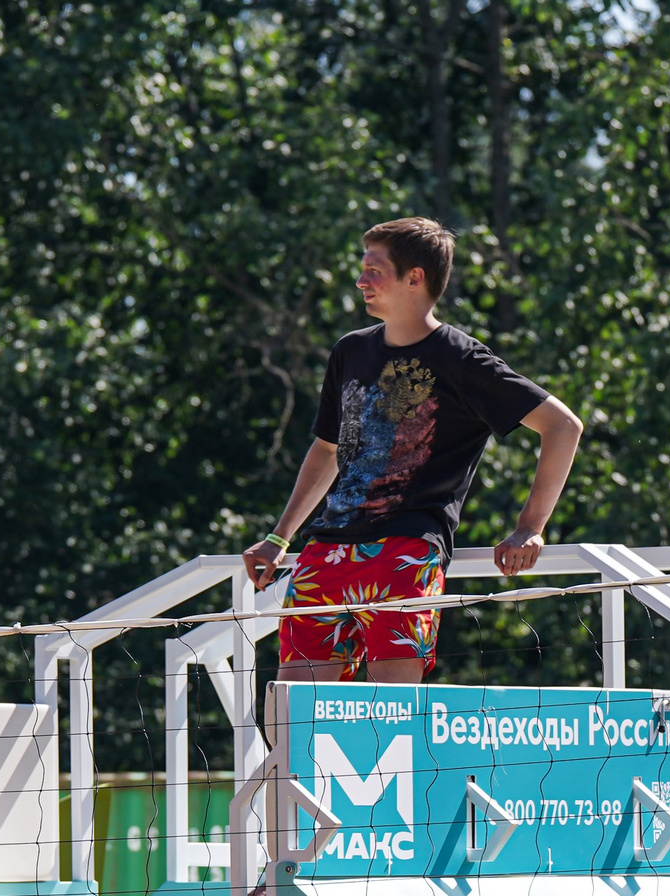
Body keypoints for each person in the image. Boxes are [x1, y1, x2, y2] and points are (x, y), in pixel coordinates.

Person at [243, 217, 583, 683]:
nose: (361, 281)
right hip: (324, 553)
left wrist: (530, 527)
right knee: (294, 716)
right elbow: (326, 451)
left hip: (406, 556)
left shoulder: (461, 358)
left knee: (392, 723)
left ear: (415, 278)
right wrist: (280, 537)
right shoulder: (350, 351)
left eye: (374, 269)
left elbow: (563, 427)